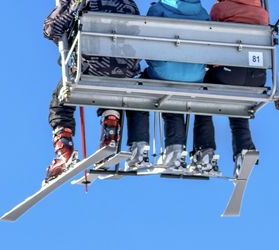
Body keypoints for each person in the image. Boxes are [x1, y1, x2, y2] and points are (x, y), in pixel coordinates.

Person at [43, 0, 150, 182]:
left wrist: (66, 7)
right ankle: (110, 133)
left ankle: (64, 150)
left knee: (60, 101)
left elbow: (51, 30)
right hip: (124, 69)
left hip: (91, 66)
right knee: (112, 84)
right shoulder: (129, 4)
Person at [192, 0, 270, 173]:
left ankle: (204, 150)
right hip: (256, 76)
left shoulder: (221, 9)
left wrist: (208, 64)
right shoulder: (262, 13)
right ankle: (244, 149)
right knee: (238, 106)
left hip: (229, 72)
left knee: (201, 100)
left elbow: (212, 38)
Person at [144, 0, 211, 170]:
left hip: (165, 71)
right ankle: (204, 152)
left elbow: (146, 42)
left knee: (165, 90)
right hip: (196, 75)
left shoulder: (158, 9)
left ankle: (173, 150)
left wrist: (155, 63)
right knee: (198, 99)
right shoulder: (203, 13)